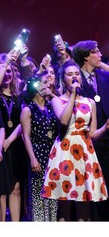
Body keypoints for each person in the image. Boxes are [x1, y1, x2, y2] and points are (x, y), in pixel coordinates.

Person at [41, 60, 109, 221]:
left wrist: (105, 127)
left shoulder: (90, 102)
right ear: (63, 80)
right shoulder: (57, 100)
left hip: (85, 152)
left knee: (84, 200)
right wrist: (73, 96)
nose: (74, 77)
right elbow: (63, 120)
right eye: (70, 74)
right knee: (65, 201)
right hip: (65, 151)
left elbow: (92, 133)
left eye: (76, 74)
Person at [72, 40, 109, 221]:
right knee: (91, 187)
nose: (100, 55)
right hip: (86, 141)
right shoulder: (76, 80)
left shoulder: (106, 77)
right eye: (96, 52)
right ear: (86, 56)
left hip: (108, 140)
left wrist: (103, 65)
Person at [20, 72, 59, 221]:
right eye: (44, 82)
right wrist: (33, 159)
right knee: (38, 196)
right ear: (36, 87)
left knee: (53, 195)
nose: (48, 84)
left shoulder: (51, 107)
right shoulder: (28, 110)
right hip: (37, 154)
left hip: (53, 155)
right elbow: (26, 137)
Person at [0, 51, 27, 221]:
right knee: (1, 190)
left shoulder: (19, 96)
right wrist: (6, 61)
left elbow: (23, 122)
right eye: (4, 71)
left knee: (15, 188)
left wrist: (10, 139)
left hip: (15, 145)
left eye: (10, 71)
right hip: (0, 146)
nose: (7, 74)